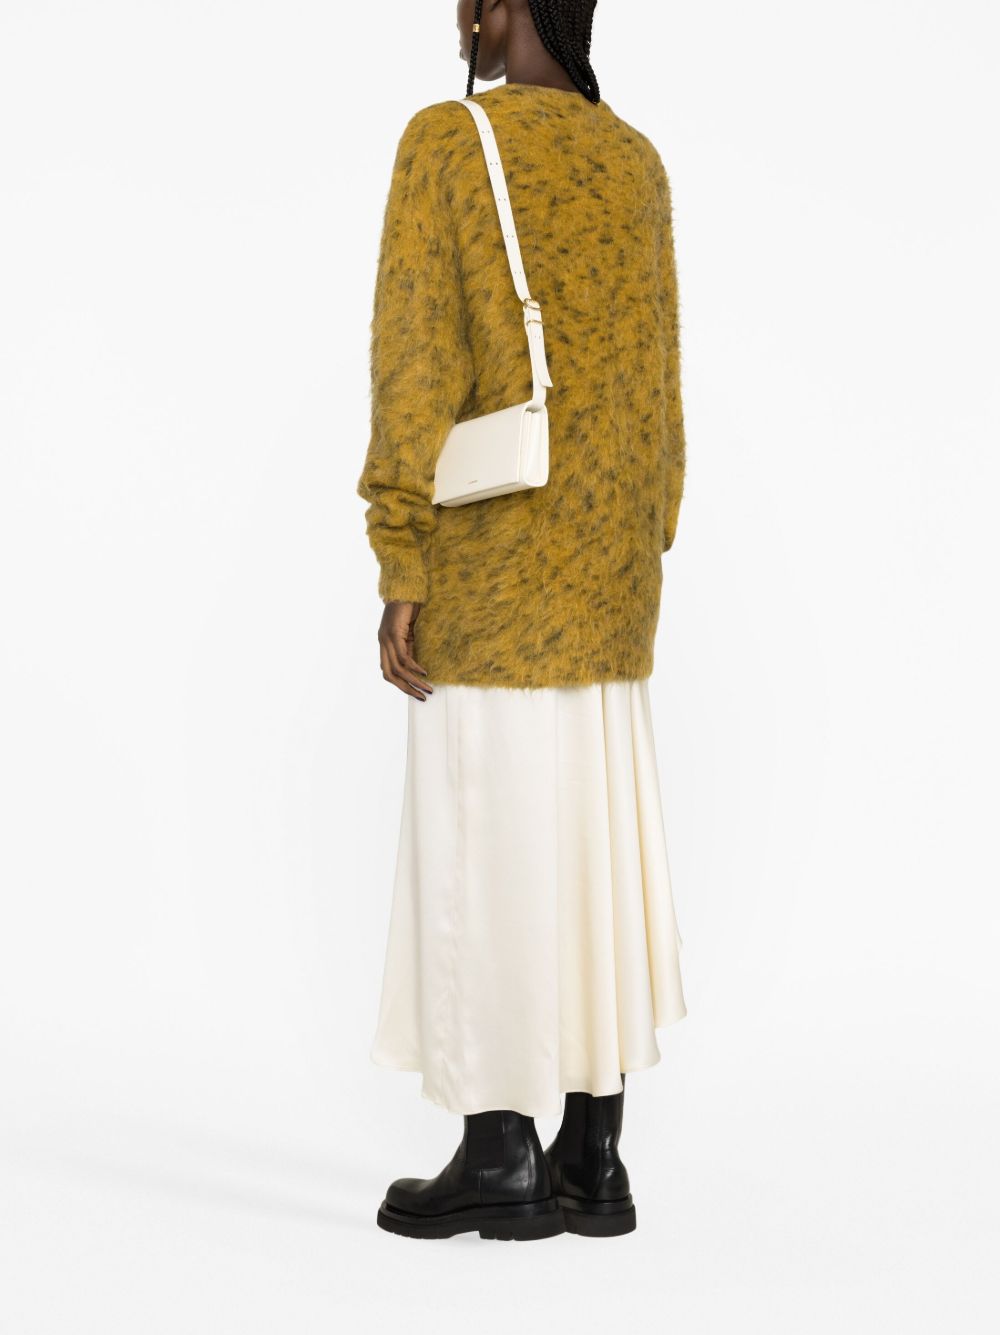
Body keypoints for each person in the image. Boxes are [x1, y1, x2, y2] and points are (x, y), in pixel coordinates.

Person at [356, 0, 687, 1242]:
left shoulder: (448, 139)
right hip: (610, 577)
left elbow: (415, 359)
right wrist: (642, 539)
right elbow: (660, 377)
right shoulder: (635, 159)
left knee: (483, 848)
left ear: (499, 6)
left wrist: (400, 552)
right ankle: (594, 1157)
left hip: (493, 576)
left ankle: (499, 1153)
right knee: (594, 854)